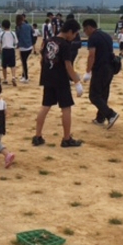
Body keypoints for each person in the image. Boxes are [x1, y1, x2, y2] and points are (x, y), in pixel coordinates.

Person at [33, 19, 83, 148]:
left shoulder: (48, 40)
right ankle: (66, 138)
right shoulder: (65, 45)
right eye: (75, 34)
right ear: (70, 32)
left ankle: (37, 136)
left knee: (45, 106)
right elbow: (68, 65)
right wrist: (77, 82)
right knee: (66, 108)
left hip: (47, 78)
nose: (75, 37)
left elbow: (41, 60)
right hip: (60, 79)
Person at [82, 19, 119, 129]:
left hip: (100, 69)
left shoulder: (93, 38)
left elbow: (91, 55)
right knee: (103, 94)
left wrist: (88, 71)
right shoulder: (106, 35)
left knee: (94, 96)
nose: (85, 32)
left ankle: (111, 114)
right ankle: (100, 118)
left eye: (85, 30)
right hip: (110, 68)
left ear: (89, 27)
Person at [0, 19, 18, 86]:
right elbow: (16, 42)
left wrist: (0, 49)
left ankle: (5, 79)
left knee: (4, 66)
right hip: (11, 50)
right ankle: (13, 77)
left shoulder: (1, 33)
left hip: (4, 50)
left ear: (3, 26)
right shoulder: (13, 33)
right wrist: (14, 47)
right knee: (13, 65)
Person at [15, 14, 33, 84]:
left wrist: (17, 44)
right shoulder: (28, 25)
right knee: (24, 61)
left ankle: (26, 77)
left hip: (23, 47)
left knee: (24, 62)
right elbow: (33, 33)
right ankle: (24, 76)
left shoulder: (18, 27)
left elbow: (17, 36)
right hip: (29, 46)